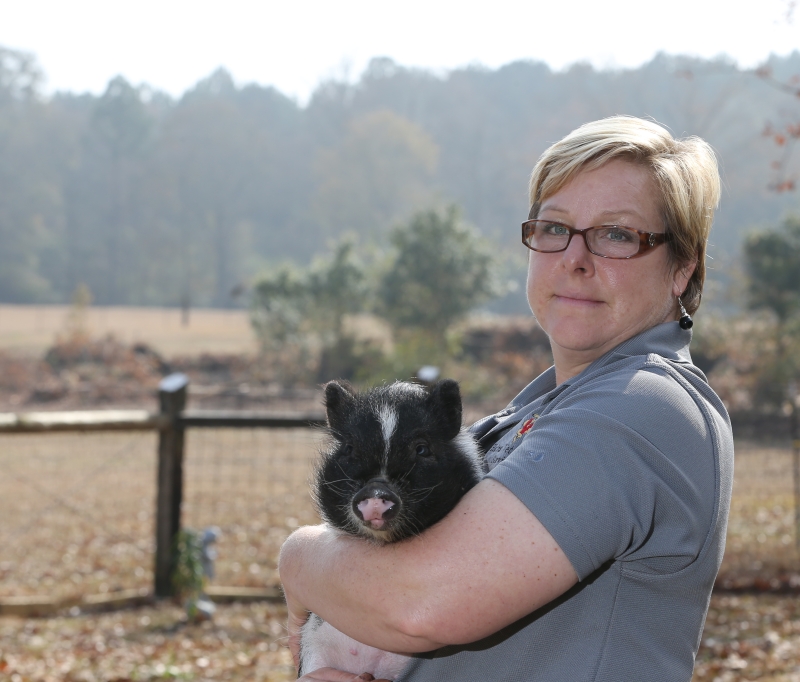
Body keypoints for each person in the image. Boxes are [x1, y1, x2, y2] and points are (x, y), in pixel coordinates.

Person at [279, 115, 734, 682]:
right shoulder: (524, 417)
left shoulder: (641, 408)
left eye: (618, 234)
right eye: (554, 228)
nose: (575, 258)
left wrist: (298, 558)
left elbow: (421, 602)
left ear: (681, 269)